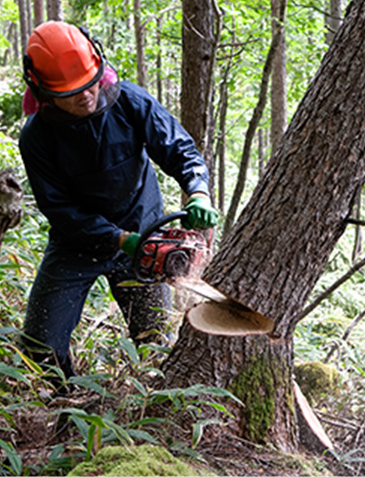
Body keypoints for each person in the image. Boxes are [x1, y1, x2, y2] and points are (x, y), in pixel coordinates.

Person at [18, 20, 218, 385]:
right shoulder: (37, 138)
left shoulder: (129, 101)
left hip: (145, 233)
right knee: (39, 345)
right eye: (72, 92)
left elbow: (178, 147)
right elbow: (59, 208)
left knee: (155, 340)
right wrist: (117, 238)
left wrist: (198, 189)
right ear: (44, 92)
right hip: (77, 242)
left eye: (90, 84)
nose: (86, 96)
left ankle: (145, 409)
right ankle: (65, 402)